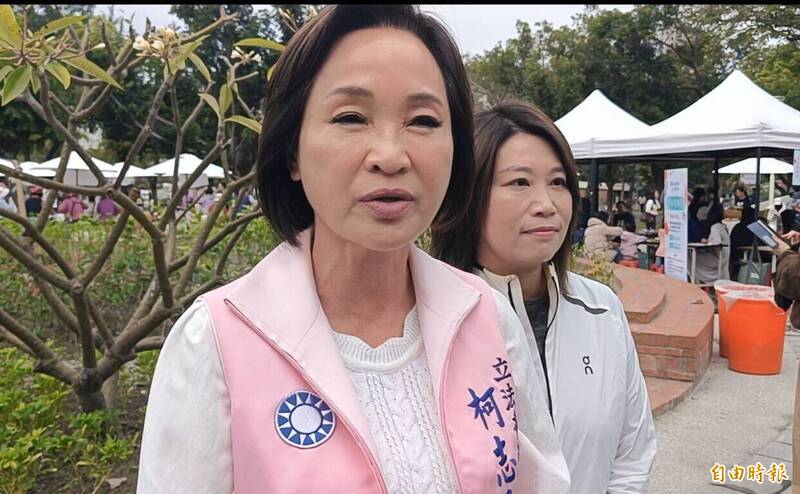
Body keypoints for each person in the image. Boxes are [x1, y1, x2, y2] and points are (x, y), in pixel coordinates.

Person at [138, 6, 569, 493]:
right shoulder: (216, 341)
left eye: (423, 120)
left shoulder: (487, 316)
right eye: (350, 117)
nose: (390, 156)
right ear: (293, 151)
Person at [431, 100, 656, 493]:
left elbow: (632, 454)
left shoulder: (601, 309)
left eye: (558, 182)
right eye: (520, 183)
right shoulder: (432, 322)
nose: (547, 205)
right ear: (467, 195)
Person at [690, 205, 730, 284]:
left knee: (689, 256)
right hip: (723, 257)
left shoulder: (715, 227)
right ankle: (697, 280)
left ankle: (696, 280)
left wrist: (707, 242)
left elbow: (716, 242)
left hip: (717, 259)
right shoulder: (722, 227)